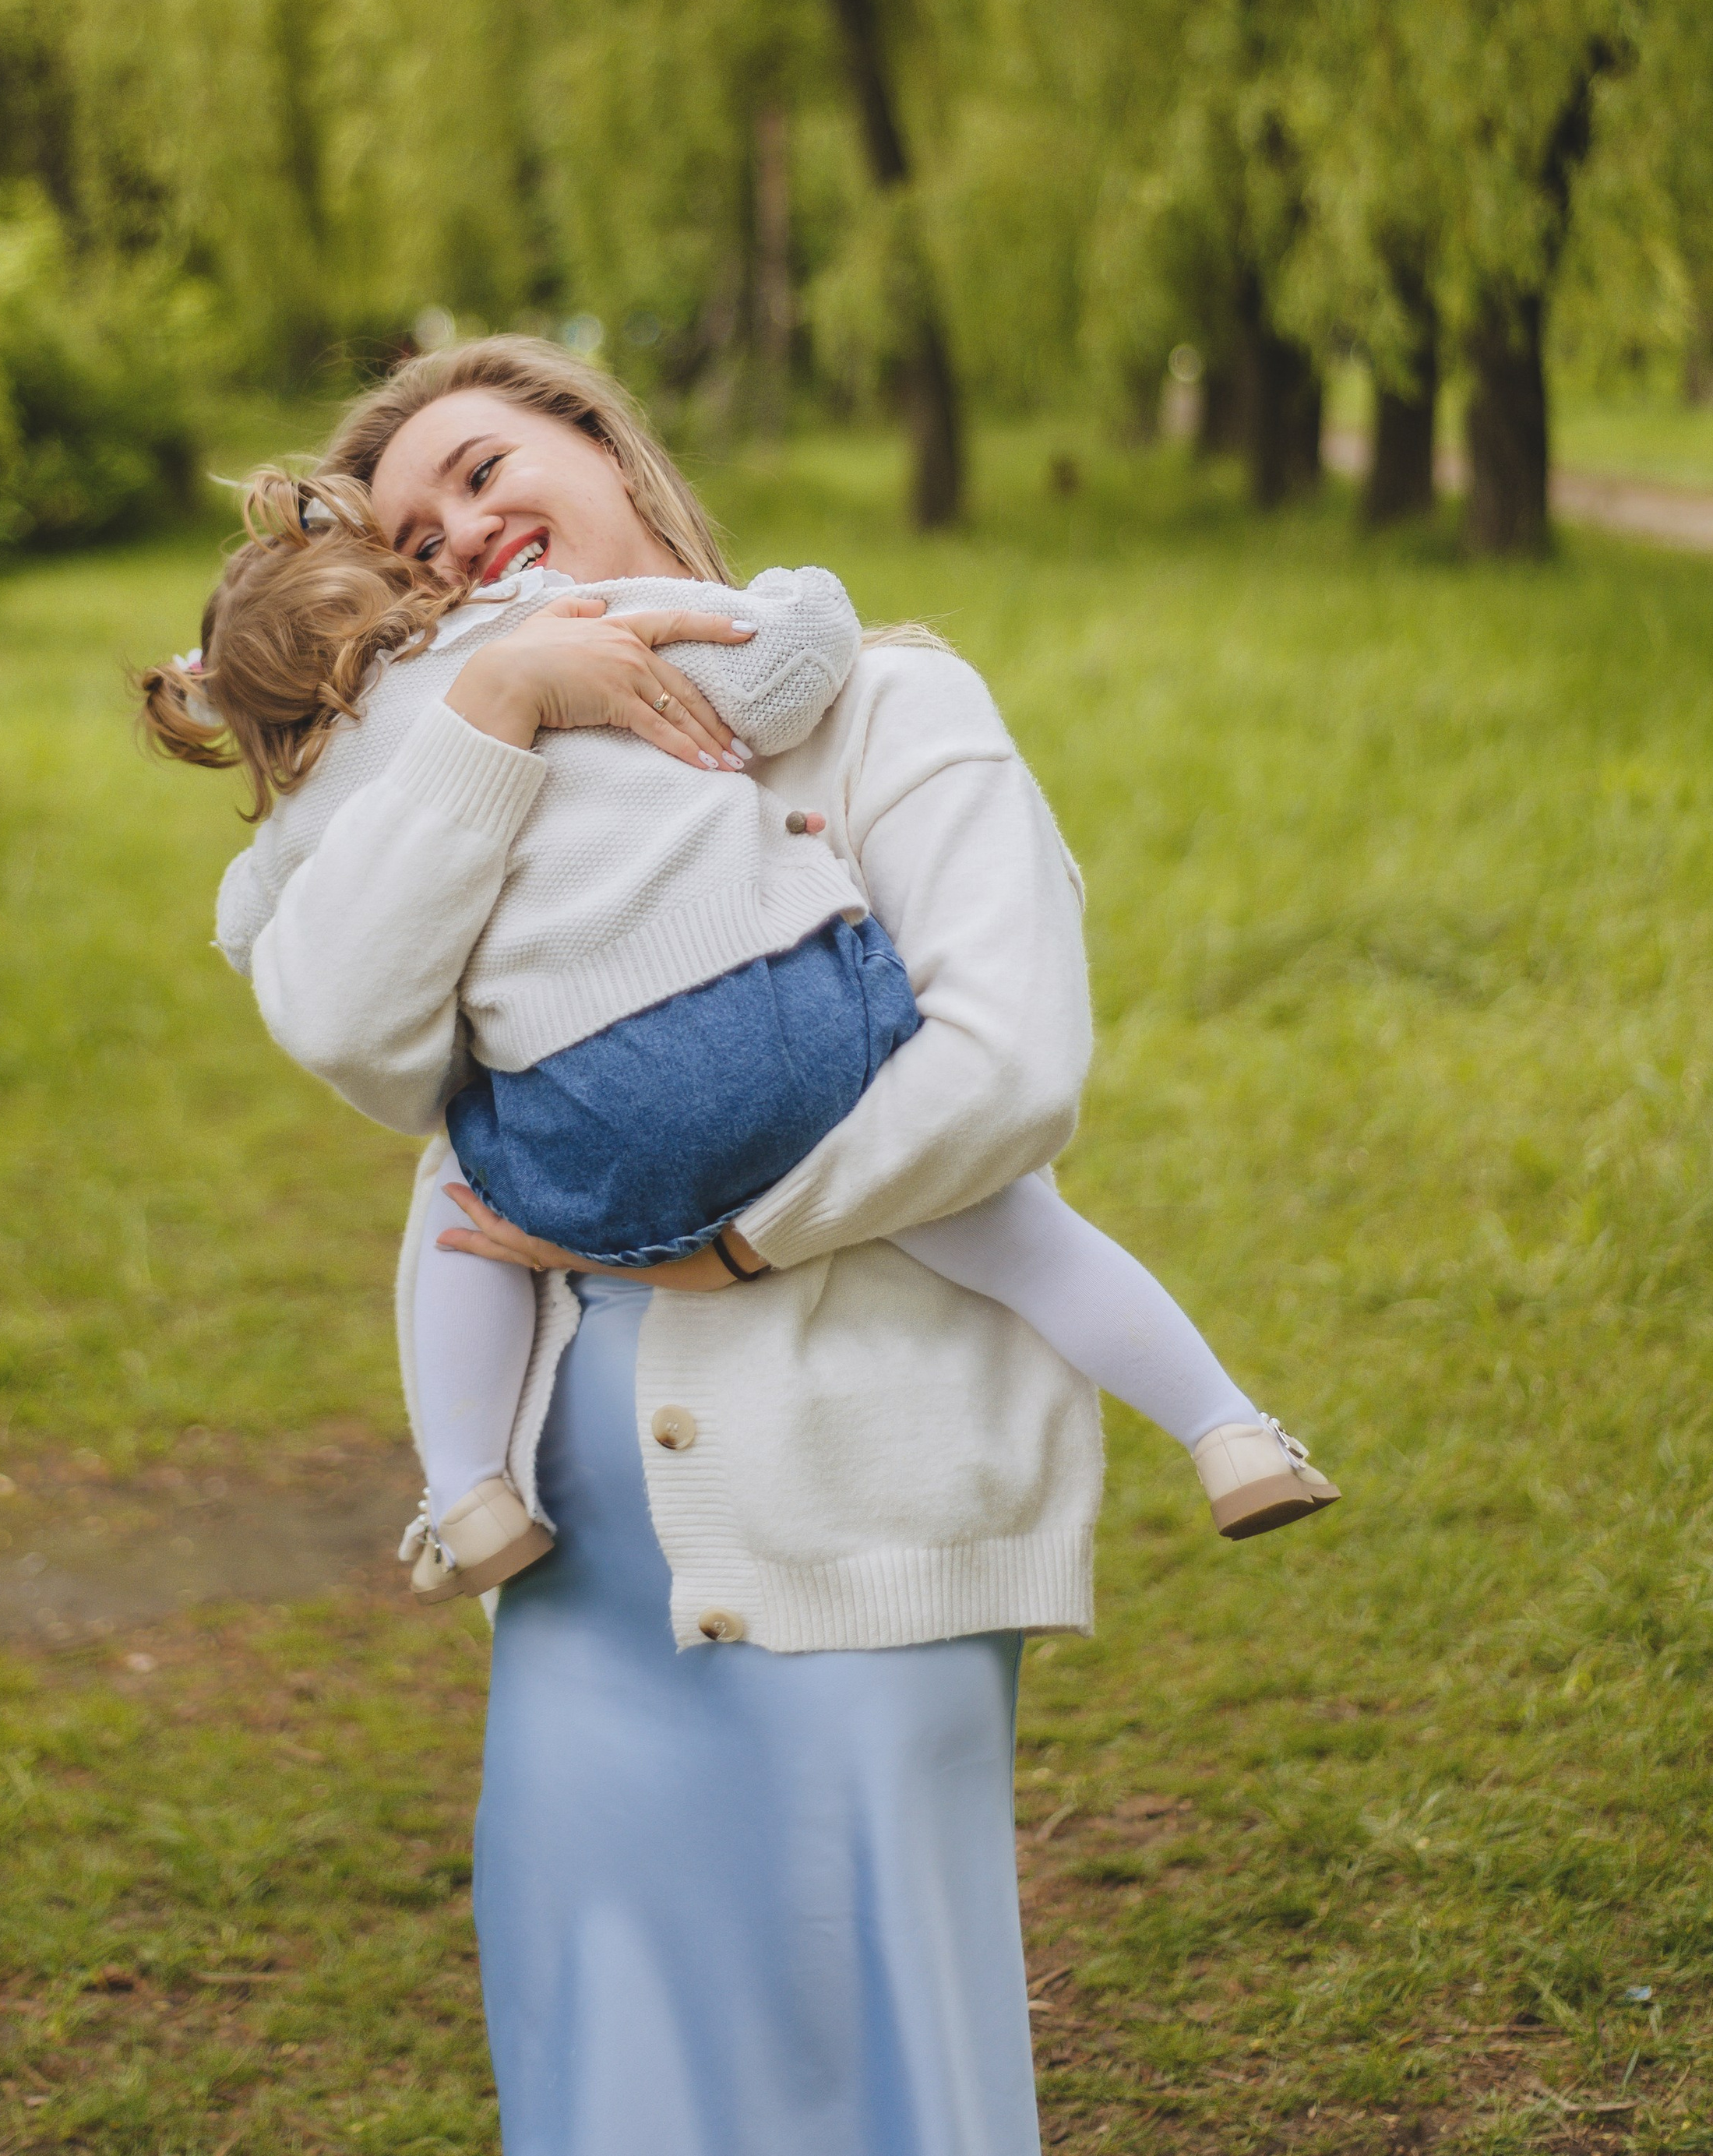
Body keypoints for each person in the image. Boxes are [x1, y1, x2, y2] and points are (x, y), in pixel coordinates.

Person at [151, 337, 1335, 2156]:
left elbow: (1004, 1073)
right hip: (583, 1543)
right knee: (603, 2019)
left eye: (481, 469)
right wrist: (495, 715)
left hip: (869, 1496)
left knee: (863, 2023)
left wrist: (743, 1242)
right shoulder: (459, 755)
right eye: (410, 533)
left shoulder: (878, 699)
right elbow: (348, 1030)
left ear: (597, 443)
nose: (457, 532)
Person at [140, 463, 1337, 1607]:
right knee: (1007, 1224)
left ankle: (469, 1498)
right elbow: (790, 659)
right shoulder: (555, 618)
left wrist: (285, 771)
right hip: (791, 1011)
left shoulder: (320, 802)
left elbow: (252, 932)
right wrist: (792, 592)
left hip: (594, 1122)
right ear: (409, 589)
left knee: (461, 1185)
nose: (461, 540)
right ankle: (1228, 1431)